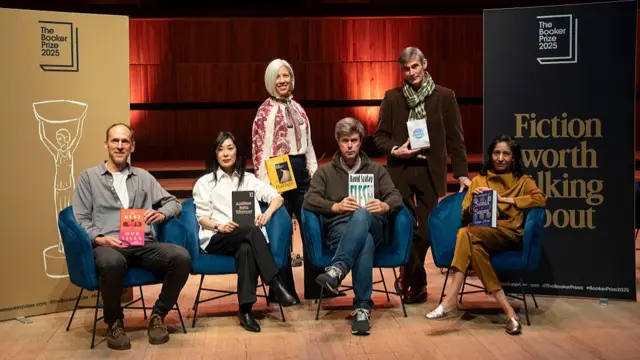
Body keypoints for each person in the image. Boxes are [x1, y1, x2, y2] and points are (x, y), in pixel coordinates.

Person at [72, 123, 191, 350]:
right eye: (115, 140)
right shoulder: (89, 178)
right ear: (106, 144)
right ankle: (114, 322)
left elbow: (173, 203)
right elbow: (79, 219)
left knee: (182, 257)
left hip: (142, 242)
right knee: (112, 261)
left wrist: (161, 214)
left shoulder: (143, 177)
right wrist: (98, 239)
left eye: (125, 141)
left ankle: (158, 315)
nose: (119, 145)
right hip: (109, 245)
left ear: (132, 146)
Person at [374, 46, 470, 304]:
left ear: (424, 64)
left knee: (425, 232)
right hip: (401, 170)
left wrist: (461, 173)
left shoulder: (444, 96)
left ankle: (407, 273)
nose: (411, 72)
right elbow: (379, 137)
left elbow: (456, 139)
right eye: (406, 68)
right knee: (405, 227)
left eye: (415, 66)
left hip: (430, 170)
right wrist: (396, 149)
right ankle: (417, 286)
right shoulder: (392, 97)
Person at [425, 135, 546, 335]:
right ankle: (510, 313)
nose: (500, 158)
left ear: (513, 157)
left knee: (465, 234)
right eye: (496, 153)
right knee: (471, 241)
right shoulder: (479, 180)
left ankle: (451, 299)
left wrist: (505, 200)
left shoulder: (524, 181)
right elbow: (465, 214)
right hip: (479, 233)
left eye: (506, 153)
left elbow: (540, 199)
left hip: (508, 234)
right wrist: (475, 201)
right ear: (490, 155)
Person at [304, 117, 403, 336]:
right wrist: (336, 206)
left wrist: (385, 205)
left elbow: (396, 197)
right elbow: (309, 200)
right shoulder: (325, 172)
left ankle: (337, 269)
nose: (350, 146)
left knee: (363, 217)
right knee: (364, 240)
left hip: (373, 224)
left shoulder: (377, 171)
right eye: (345, 140)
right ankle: (362, 309)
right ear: (338, 142)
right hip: (339, 230)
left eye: (355, 140)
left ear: (361, 142)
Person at [193, 131, 298, 333]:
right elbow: (201, 217)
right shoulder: (205, 183)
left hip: (248, 239)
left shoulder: (248, 179)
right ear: (215, 154)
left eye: (229, 148)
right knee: (250, 230)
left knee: (246, 248)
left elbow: (277, 197)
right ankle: (275, 283)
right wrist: (219, 226)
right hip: (217, 237)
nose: (225, 153)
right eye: (220, 149)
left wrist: (267, 214)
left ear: (237, 152)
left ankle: (245, 310)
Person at [252, 58, 319, 300]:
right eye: (278, 77)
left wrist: (313, 174)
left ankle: (316, 287)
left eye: (286, 76)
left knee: (311, 224)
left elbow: (308, 145)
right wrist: (266, 188)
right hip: (278, 172)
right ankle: (282, 290)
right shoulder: (264, 112)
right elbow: (259, 152)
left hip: (301, 172)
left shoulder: (299, 108)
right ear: (270, 81)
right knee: (281, 229)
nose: (282, 80)